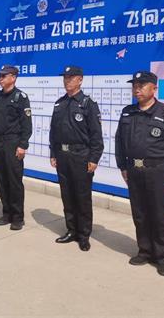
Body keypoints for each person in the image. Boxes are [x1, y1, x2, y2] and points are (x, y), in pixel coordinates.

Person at [115, 70, 164, 277]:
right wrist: (123, 167)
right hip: (134, 171)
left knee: (160, 215)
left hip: (158, 171)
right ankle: (145, 251)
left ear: (154, 88)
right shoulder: (128, 112)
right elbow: (119, 142)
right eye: (135, 86)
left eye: (142, 85)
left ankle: (163, 258)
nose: (137, 89)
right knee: (140, 213)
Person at [49, 66, 104, 251]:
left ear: (80, 80)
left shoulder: (88, 104)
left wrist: (94, 158)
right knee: (67, 194)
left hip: (81, 156)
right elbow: (53, 132)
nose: (67, 81)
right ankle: (71, 230)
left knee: (82, 196)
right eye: (65, 78)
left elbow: (96, 135)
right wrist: (53, 153)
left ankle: (84, 235)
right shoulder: (59, 103)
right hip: (62, 156)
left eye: (71, 78)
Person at [0, 65, 32, 230]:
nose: (0, 79)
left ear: (13, 77)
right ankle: (6, 213)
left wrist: (22, 145)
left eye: (4, 76)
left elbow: (26, 124)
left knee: (14, 181)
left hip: (13, 143)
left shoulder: (20, 97)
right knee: (1, 179)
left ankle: (18, 217)